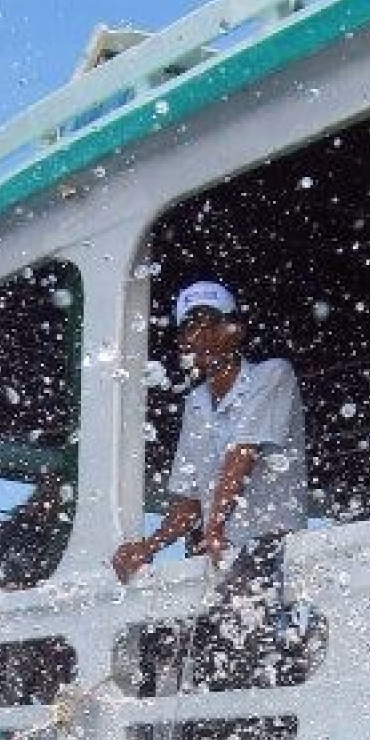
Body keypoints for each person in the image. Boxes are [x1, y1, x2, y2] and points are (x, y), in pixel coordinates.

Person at [112, 278, 308, 689]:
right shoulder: (195, 403)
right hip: (224, 557)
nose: (194, 336)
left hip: (273, 547)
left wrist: (214, 527)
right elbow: (188, 501)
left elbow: (243, 454)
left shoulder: (273, 375)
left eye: (206, 322)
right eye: (187, 328)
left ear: (232, 330)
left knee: (260, 659)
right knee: (203, 660)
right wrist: (147, 548)